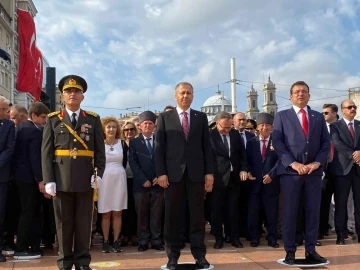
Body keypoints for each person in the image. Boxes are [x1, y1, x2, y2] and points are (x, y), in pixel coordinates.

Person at [42, 75, 106, 270]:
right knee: (63, 224)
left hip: (86, 178)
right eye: (69, 92)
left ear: (82, 97)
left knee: (84, 223)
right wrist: (48, 180)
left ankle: (82, 261)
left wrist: (99, 174)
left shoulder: (93, 119)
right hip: (61, 179)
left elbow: (99, 152)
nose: (72, 94)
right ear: (62, 96)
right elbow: (46, 152)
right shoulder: (53, 120)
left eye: (76, 92)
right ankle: (64, 261)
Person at [155, 82, 214, 270]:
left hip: (196, 174)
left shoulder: (201, 117)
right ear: (175, 96)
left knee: (197, 217)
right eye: (182, 93)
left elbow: (207, 147)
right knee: (172, 216)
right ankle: (172, 256)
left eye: (189, 93)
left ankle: (200, 255)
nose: (185, 96)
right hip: (172, 175)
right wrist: (161, 173)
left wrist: (209, 173)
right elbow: (159, 148)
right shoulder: (165, 117)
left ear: (193, 96)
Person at [272, 81, 330, 265]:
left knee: (313, 212)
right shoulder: (282, 116)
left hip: (313, 173)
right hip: (291, 174)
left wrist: (317, 162)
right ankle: (290, 251)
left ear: (309, 95)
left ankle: (311, 250)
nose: (300, 94)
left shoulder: (318, 117)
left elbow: (325, 143)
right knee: (290, 213)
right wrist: (293, 163)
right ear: (290, 96)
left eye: (304, 91)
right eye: (296, 92)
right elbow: (278, 143)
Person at [13, 102, 50, 260]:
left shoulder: (22, 128)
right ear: (33, 116)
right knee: (29, 212)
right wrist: (40, 180)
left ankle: (26, 245)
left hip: (21, 177)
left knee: (27, 212)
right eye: (43, 118)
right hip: (29, 178)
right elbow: (35, 158)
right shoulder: (32, 131)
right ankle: (21, 248)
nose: (44, 121)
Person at [209, 112, 248, 249]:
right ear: (216, 123)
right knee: (217, 210)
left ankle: (234, 237)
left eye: (229, 127)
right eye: (223, 127)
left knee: (233, 209)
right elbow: (207, 158)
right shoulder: (210, 136)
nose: (226, 130)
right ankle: (218, 238)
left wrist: (244, 169)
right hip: (217, 178)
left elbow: (242, 153)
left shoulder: (235, 134)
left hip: (234, 177)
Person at [129, 111, 165, 252]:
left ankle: (156, 240)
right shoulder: (134, 142)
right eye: (145, 124)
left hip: (158, 184)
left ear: (154, 125)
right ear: (140, 126)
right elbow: (133, 162)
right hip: (140, 185)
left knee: (156, 214)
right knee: (142, 215)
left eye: (151, 124)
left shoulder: (160, 141)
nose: (148, 126)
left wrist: (159, 175)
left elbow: (164, 159)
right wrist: (143, 179)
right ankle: (143, 241)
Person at [246, 113, 280, 248]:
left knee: (271, 213)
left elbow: (281, 161)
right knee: (254, 212)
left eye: (267, 125)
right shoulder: (251, 143)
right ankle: (255, 237)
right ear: (258, 127)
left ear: (271, 127)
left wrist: (272, 175)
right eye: (262, 125)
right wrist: (248, 172)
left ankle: (272, 238)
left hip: (271, 183)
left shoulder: (277, 142)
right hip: (254, 184)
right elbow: (246, 160)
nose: (264, 127)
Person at [330, 99, 360, 245]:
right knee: (341, 203)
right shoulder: (335, 126)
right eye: (350, 107)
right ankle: (341, 234)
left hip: (358, 169)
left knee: (358, 203)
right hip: (342, 169)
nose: (353, 109)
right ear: (343, 110)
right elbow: (336, 143)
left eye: (354, 106)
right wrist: (353, 155)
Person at [98, 117, 128, 253]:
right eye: (109, 127)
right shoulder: (99, 144)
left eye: (114, 127)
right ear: (104, 129)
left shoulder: (122, 144)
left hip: (119, 180)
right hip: (104, 180)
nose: (111, 129)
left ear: (117, 129)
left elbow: (127, 161)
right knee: (105, 213)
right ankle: (105, 241)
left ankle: (116, 240)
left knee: (117, 212)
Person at [0, 96, 16, 263]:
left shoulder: (9, 125)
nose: (6, 112)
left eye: (6, 109)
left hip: (2, 176)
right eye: (3, 109)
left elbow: (10, 148)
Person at [121, 122, 139, 247]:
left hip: (136, 179)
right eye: (126, 130)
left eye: (132, 129)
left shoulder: (139, 143)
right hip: (122, 179)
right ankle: (124, 234)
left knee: (135, 208)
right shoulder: (120, 145)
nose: (129, 131)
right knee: (124, 207)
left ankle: (134, 234)